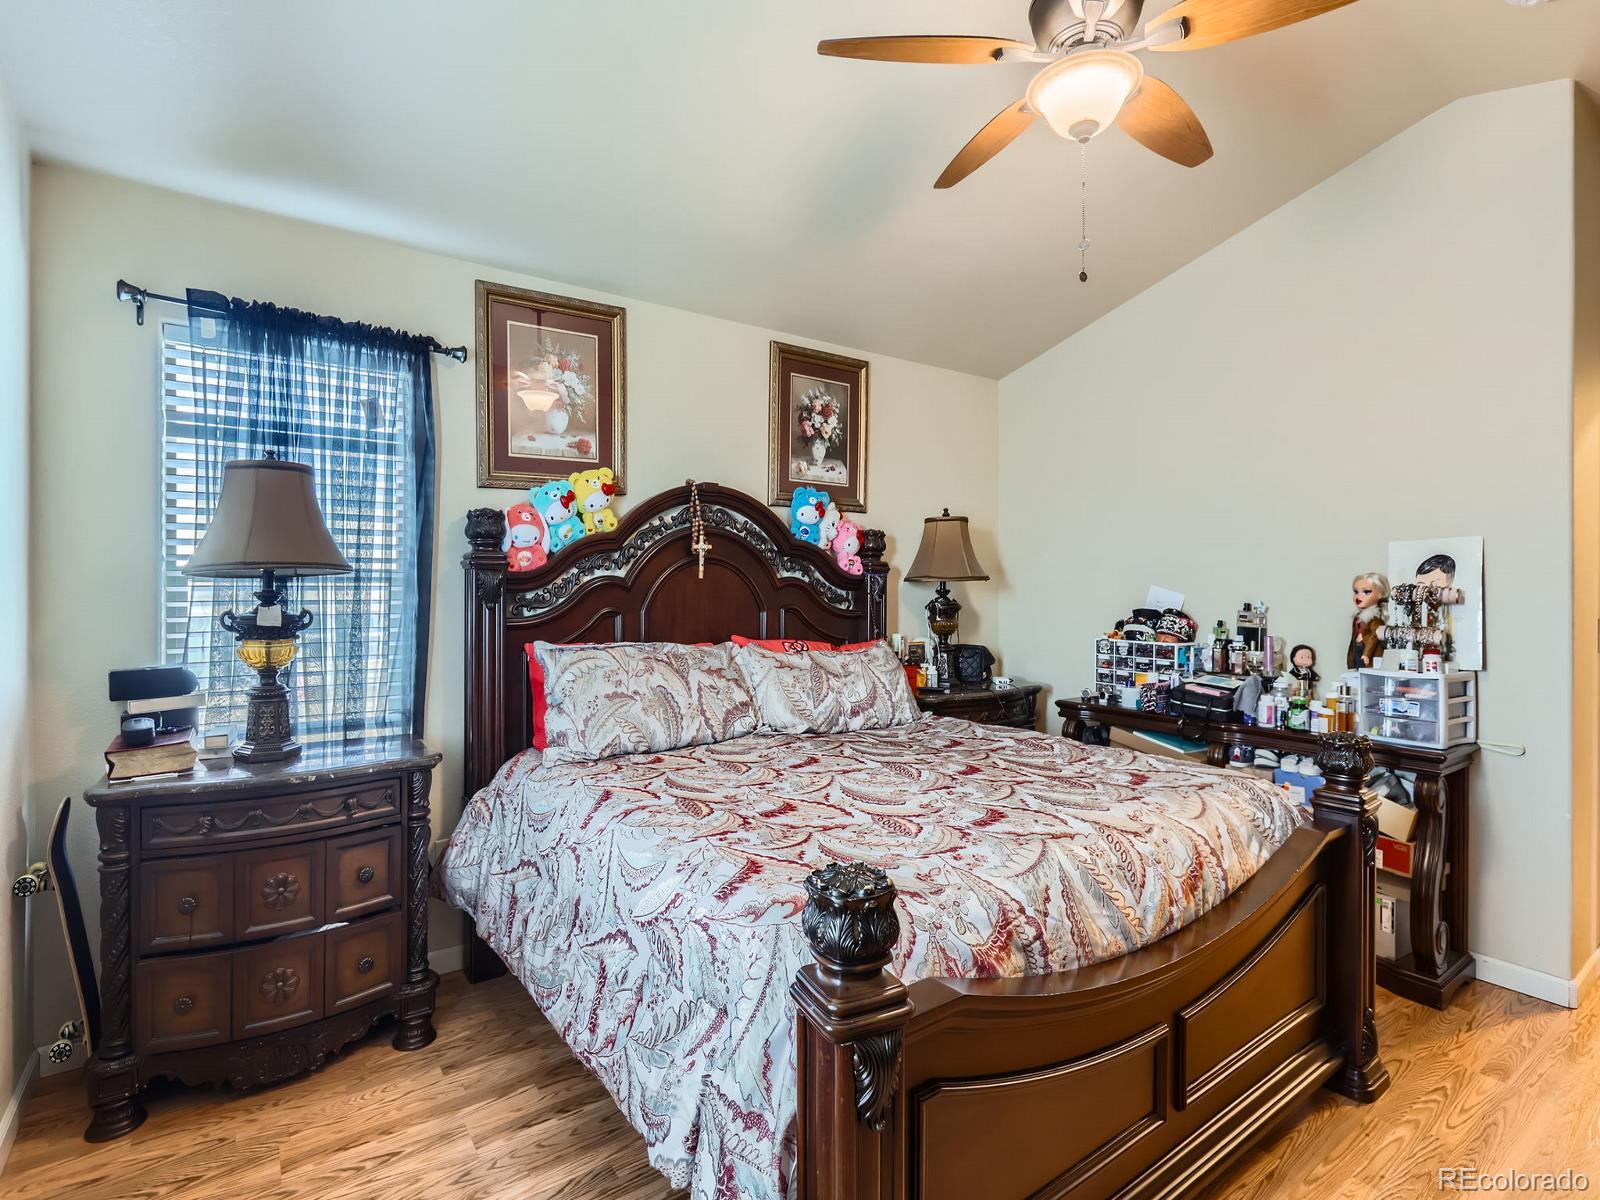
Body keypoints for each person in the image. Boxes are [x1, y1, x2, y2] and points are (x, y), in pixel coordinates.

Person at [1348, 571, 1388, 670]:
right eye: (1356, 592)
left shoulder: (1375, 619)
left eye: (1366, 592)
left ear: (1380, 595)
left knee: (1365, 672)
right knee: (1357, 672)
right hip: (1358, 649)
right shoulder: (1358, 617)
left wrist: (1366, 654)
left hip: (1367, 654)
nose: (1359, 596)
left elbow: (1374, 637)